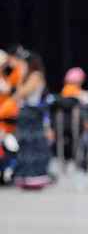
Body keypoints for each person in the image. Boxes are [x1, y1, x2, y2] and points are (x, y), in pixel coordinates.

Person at [11, 50, 52, 190]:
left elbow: (23, 93)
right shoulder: (26, 76)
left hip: (32, 113)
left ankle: (35, 176)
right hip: (26, 113)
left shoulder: (36, 75)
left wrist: (20, 77)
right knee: (24, 145)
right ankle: (25, 176)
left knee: (33, 145)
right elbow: (17, 96)